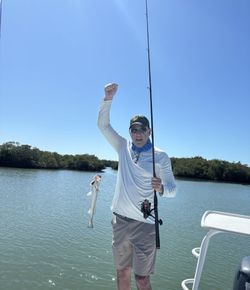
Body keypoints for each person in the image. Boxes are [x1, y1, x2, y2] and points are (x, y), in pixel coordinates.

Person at [98, 83, 176, 290]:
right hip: (120, 221)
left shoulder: (160, 156)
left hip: (145, 225)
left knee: (142, 279)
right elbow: (103, 126)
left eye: (142, 129)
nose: (138, 134)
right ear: (130, 132)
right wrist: (107, 99)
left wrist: (161, 188)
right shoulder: (123, 147)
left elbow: (172, 190)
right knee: (122, 273)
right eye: (134, 130)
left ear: (149, 131)